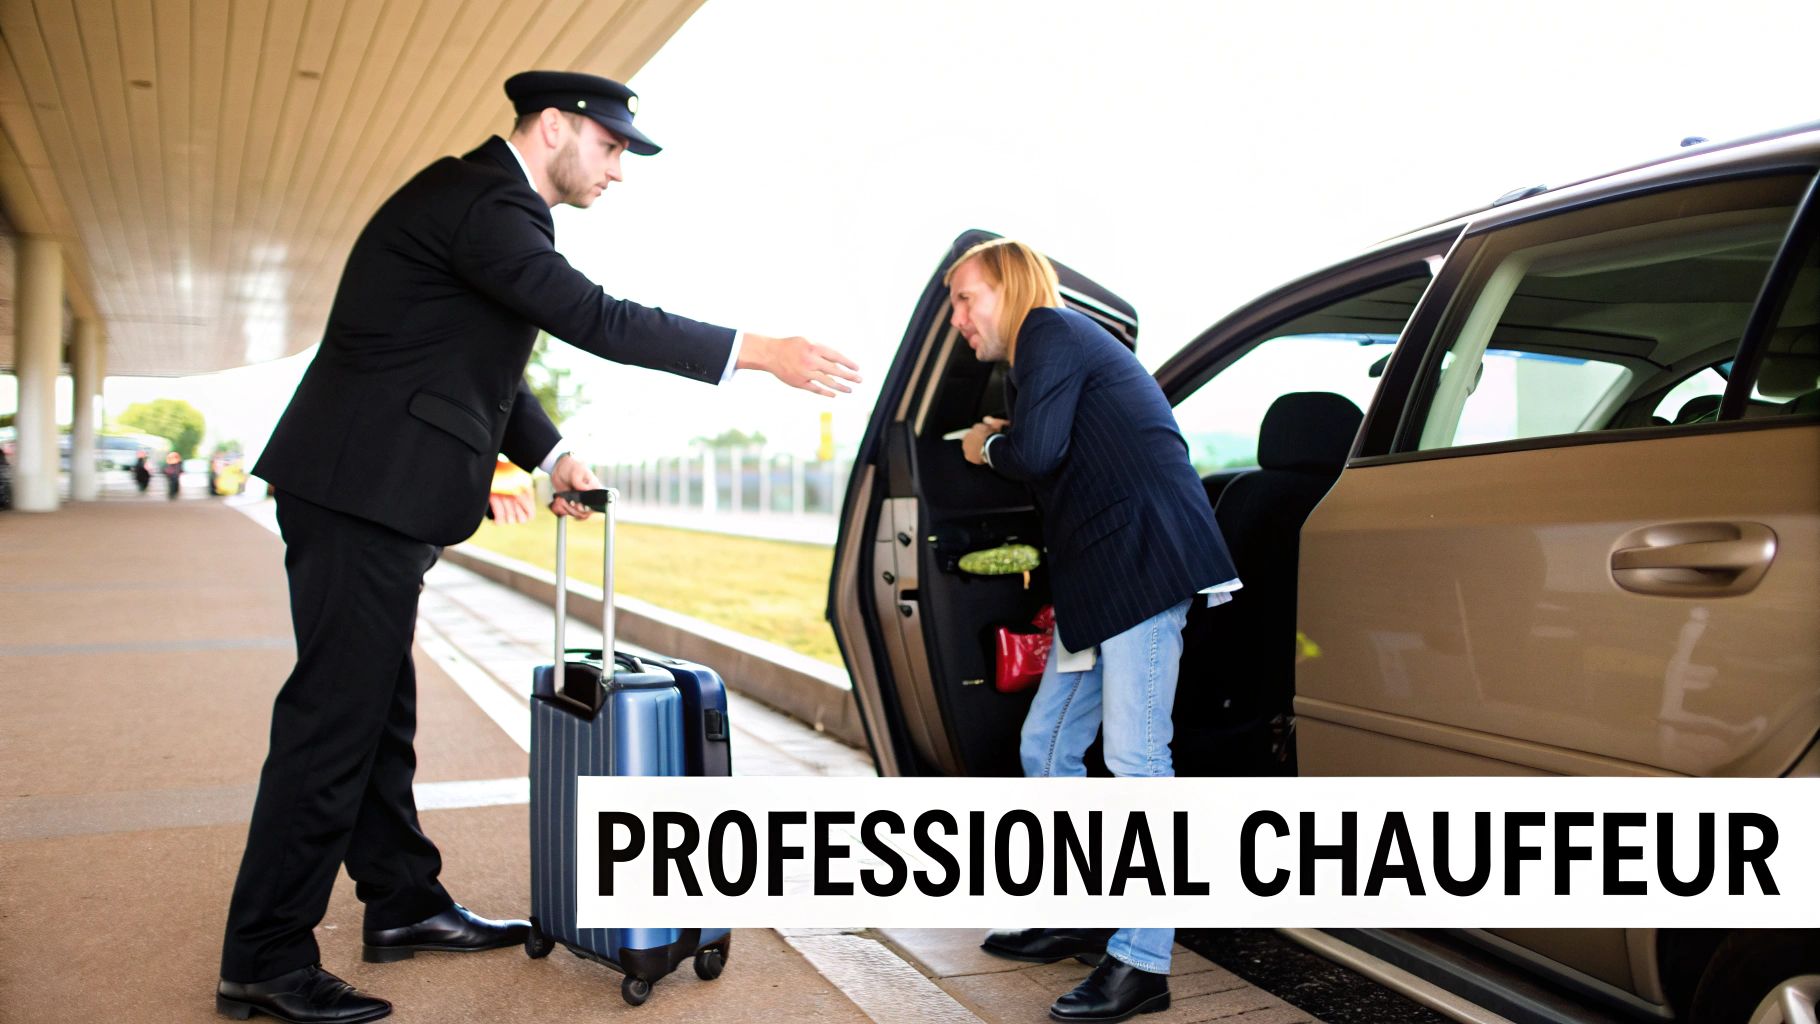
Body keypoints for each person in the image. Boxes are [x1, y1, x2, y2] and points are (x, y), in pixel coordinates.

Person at [216, 70, 860, 1024]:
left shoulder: (483, 209)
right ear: (554, 127)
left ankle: (403, 902)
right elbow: (597, 318)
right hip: (360, 492)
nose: (619, 171)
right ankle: (265, 956)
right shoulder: (486, 202)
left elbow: (482, 370)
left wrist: (553, 456)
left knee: (376, 714)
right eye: (610, 147)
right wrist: (759, 352)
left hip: (367, 493)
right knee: (332, 723)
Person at [953, 239, 1238, 1023]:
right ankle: (1079, 913)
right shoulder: (1049, 350)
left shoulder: (1046, 328)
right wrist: (1013, 431)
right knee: (1046, 747)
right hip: (1101, 581)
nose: (957, 319)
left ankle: (1143, 962)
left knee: (1138, 762)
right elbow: (1063, 449)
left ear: (1009, 287)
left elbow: (1038, 451)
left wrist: (988, 445)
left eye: (965, 298)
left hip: (1142, 565)